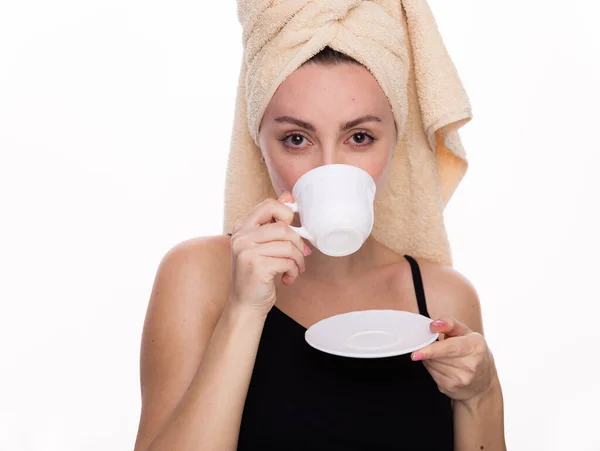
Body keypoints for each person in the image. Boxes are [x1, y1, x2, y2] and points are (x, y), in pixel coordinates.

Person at [132, 44, 506, 450]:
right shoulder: (200, 274)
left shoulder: (444, 297)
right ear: (258, 143)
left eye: (360, 137)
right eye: (296, 139)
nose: (330, 168)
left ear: (397, 139)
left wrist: (481, 393)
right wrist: (244, 309)